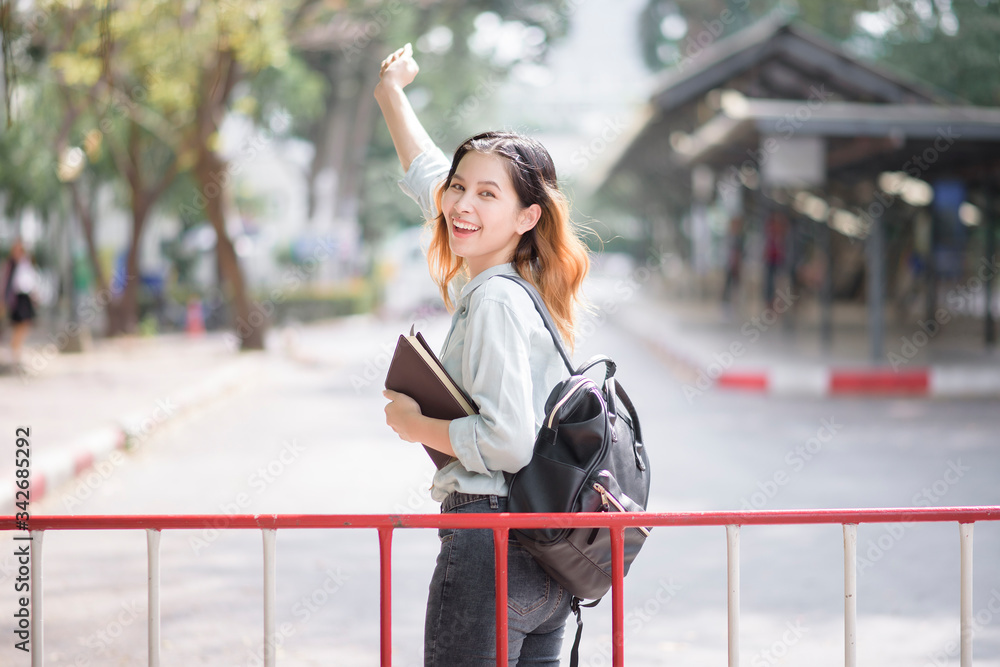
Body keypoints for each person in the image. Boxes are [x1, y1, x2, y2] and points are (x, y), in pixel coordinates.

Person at [376, 43, 590, 666]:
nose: (462, 205)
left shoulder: (495, 300)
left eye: (487, 196)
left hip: (487, 543)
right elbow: (431, 178)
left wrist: (415, 425)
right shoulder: (528, 285)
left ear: (527, 215)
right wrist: (392, 93)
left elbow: (507, 441)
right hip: (543, 562)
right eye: (458, 189)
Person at [1, 240, 39, 370]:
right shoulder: (11, 265)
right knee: (18, 326)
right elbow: (6, 284)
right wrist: (3, 301)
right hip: (17, 299)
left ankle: (16, 353)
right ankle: (14, 354)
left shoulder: (26, 263)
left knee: (25, 325)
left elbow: (31, 281)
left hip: (25, 298)